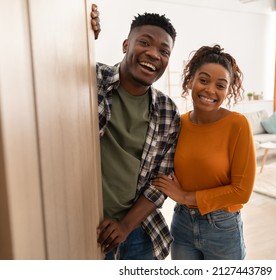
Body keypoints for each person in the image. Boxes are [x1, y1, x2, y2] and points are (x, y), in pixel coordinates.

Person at [92, 6, 181, 260]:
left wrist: (125, 226)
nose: (153, 54)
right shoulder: (91, 78)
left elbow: (160, 181)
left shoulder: (167, 111)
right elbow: (49, 62)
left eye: (164, 51)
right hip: (85, 225)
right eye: (145, 43)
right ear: (125, 45)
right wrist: (79, 32)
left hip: (140, 232)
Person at [152, 45, 256, 260]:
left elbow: (241, 191)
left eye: (220, 85)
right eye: (204, 80)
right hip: (181, 223)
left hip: (222, 228)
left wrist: (184, 196)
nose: (210, 90)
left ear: (228, 91)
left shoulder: (237, 124)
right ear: (190, 80)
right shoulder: (178, 123)